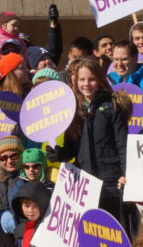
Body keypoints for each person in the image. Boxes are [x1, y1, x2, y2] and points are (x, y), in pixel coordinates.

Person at [52, 57, 130, 224]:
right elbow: (72, 149)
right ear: (75, 81)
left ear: (100, 80)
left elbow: (122, 145)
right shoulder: (74, 109)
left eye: (91, 79)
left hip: (110, 181)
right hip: (84, 182)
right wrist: (58, 154)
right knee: (90, 229)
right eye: (82, 79)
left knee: (111, 227)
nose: (86, 84)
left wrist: (126, 174)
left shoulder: (112, 106)